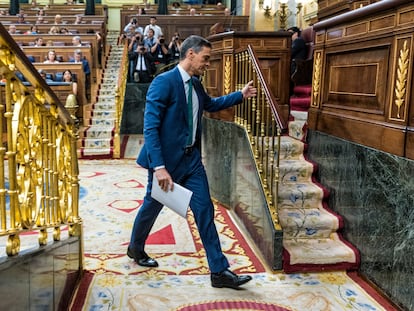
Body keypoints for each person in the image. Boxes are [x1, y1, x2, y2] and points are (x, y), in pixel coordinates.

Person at [128, 35, 257, 290]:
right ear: (190, 54)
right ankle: (135, 248)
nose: (207, 63)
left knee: (205, 211)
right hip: (166, 164)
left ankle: (219, 271)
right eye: (205, 58)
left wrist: (239, 95)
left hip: (192, 161)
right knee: (150, 209)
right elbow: (150, 128)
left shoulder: (196, 85)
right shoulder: (163, 83)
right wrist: (159, 167)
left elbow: (211, 105)